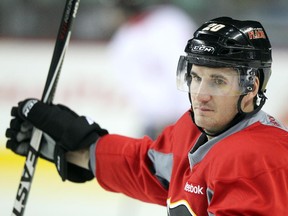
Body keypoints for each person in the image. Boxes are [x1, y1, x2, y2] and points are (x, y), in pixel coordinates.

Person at [6, 17, 288, 215]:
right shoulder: (192, 132)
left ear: (251, 87)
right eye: (195, 77)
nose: (201, 94)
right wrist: (78, 147)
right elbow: (147, 167)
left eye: (218, 81)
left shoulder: (260, 160)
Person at [107, 1, 196, 138]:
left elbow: (189, 69)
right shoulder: (123, 39)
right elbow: (134, 88)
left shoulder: (169, 21)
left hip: (186, 119)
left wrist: (180, 115)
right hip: (153, 123)